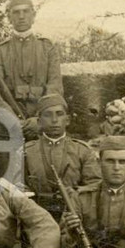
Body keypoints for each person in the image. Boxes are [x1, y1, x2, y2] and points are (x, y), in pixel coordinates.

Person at [0, 0, 63, 139]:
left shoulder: (48, 48)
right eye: (16, 12)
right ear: (9, 17)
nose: (21, 16)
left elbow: (55, 86)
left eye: (26, 12)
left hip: (43, 124)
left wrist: (39, 118)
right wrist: (13, 120)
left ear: (33, 16)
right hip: (8, 125)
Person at [23, 94, 101, 222]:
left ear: (68, 120)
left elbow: (95, 185)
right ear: (39, 121)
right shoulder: (26, 151)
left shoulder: (81, 151)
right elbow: (18, 185)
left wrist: (76, 191)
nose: (54, 120)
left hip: (73, 213)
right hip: (37, 214)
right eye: (48, 115)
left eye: (59, 114)